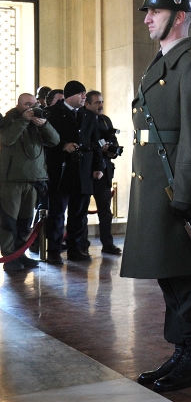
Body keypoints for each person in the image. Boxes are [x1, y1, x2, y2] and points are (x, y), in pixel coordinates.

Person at [121, 0, 191, 393]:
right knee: (169, 269)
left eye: (154, 13)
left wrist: (185, 194)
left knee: (189, 271)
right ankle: (181, 351)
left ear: (178, 17)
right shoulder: (162, 60)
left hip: (177, 183)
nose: (146, 19)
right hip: (153, 180)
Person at [44, 80, 104, 263]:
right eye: (81, 94)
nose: (84, 98)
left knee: (79, 214)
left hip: (83, 171)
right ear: (70, 95)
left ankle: (75, 249)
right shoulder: (52, 113)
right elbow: (45, 140)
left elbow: (96, 142)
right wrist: (63, 146)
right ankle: (53, 250)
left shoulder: (88, 115)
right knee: (57, 213)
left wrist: (97, 167)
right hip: (61, 172)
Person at [0, 93, 58, 273]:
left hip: (34, 178)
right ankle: (10, 256)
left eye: (34, 104)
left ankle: (21, 254)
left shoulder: (38, 120)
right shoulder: (10, 119)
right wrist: (23, 121)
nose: (32, 108)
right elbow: (6, 139)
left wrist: (45, 125)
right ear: (19, 105)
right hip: (12, 180)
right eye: (27, 104)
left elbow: (55, 140)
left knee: (25, 221)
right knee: (9, 220)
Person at [85, 90, 123, 255]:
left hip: (105, 170)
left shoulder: (105, 120)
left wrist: (111, 151)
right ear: (87, 104)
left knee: (105, 211)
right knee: (81, 211)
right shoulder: (83, 120)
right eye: (97, 102)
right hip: (87, 171)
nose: (100, 105)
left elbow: (112, 140)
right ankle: (81, 245)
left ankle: (107, 244)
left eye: (101, 102)